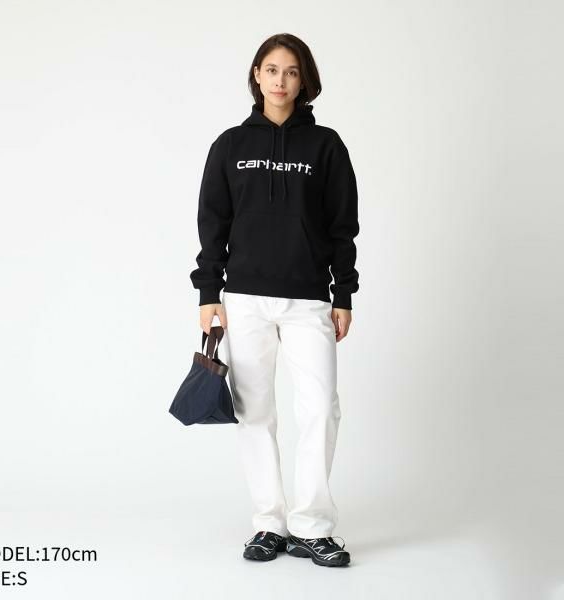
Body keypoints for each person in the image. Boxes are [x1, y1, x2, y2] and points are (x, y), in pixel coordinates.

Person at [189, 33, 359, 568]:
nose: (280, 80)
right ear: (256, 76)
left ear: (304, 80)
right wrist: (209, 291)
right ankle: (269, 523)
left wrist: (343, 292)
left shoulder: (326, 146)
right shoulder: (230, 146)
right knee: (255, 412)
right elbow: (213, 223)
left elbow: (343, 225)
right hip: (244, 299)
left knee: (320, 410)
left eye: (291, 71)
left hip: (309, 299)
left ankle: (312, 526)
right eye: (271, 69)